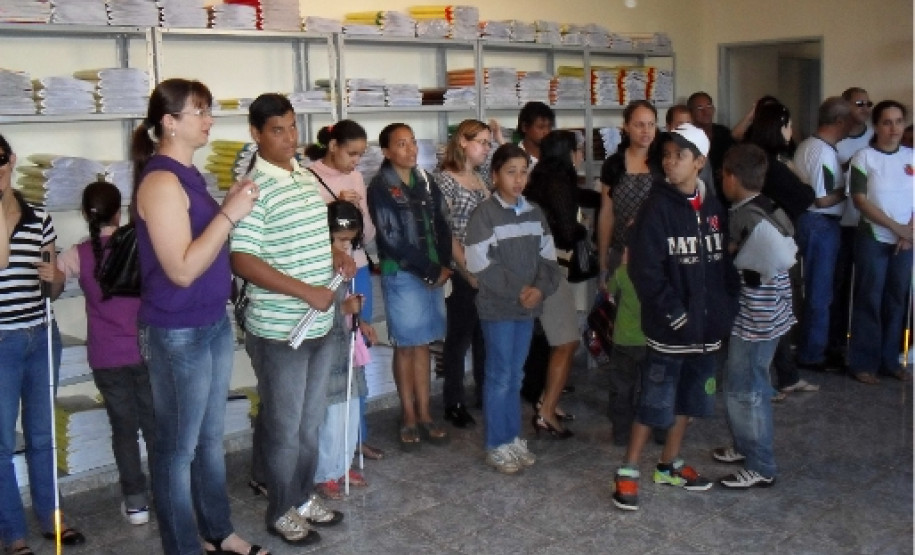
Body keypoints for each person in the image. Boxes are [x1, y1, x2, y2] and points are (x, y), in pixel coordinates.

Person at [130, 79, 264, 555]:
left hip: (210, 321)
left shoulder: (191, 175)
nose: (209, 120)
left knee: (210, 440)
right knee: (177, 449)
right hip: (177, 330)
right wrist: (229, 214)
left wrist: (232, 208)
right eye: (199, 112)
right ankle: (182, 546)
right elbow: (182, 270)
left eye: (209, 111)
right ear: (169, 122)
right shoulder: (161, 181)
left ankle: (218, 531)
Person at [230, 93, 349, 546]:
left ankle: (302, 498)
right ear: (256, 134)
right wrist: (306, 292)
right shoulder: (252, 188)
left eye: (293, 127)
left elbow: (309, 233)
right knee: (283, 429)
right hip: (281, 330)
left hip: (318, 324)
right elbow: (242, 259)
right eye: (277, 130)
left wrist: (336, 253)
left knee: (309, 423)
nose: (289, 138)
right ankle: (279, 509)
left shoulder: (302, 174)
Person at [611, 123, 737, 511]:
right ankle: (628, 470)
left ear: (699, 162)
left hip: (706, 329)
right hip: (671, 329)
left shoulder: (715, 209)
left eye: (679, 156)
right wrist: (674, 311)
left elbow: (721, 266)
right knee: (655, 401)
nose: (669, 162)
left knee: (690, 400)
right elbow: (645, 270)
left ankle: (669, 462)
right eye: (666, 155)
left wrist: (723, 309)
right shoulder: (656, 208)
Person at [0, 134, 86, 555]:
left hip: (39, 333)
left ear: (11, 161)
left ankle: (53, 517)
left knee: (41, 433)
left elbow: (49, 286)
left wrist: (55, 281)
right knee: (1, 440)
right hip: (0, 341)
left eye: (0, 164)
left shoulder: (39, 218)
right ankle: (12, 533)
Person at [56, 181, 155, 526]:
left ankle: (136, 502)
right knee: (156, 427)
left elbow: (52, 283)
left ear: (85, 214)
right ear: (120, 210)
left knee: (123, 430)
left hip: (105, 357)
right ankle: (168, 493)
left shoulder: (77, 254)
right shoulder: (141, 244)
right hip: (146, 350)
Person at [464, 143, 561, 473]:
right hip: (498, 308)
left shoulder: (534, 212)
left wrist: (540, 289)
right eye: (510, 172)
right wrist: (520, 289)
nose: (518, 179)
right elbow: (479, 263)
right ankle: (497, 443)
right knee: (499, 375)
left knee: (516, 375)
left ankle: (512, 436)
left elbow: (549, 260)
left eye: (523, 172)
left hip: (527, 308)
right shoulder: (485, 215)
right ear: (494, 176)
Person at [715, 144, 798, 489]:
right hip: (772, 314)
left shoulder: (745, 217)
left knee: (745, 390)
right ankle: (743, 445)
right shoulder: (770, 206)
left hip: (755, 320)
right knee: (746, 384)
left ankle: (761, 464)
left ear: (731, 178)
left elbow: (745, 266)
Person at [367, 123, 453, 450]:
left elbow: (443, 223)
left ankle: (426, 414)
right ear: (387, 152)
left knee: (423, 345)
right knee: (406, 345)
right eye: (401, 144)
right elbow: (391, 239)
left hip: (434, 272)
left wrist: (444, 265)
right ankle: (408, 416)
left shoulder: (426, 180)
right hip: (404, 274)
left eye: (412, 142)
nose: (410, 149)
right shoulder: (381, 186)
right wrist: (431, 269)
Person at [304, 120, 384, 462]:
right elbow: (308, 233)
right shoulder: (307, 177)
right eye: (351, 153)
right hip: (324, 273)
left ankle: (357, 436)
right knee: (330, 355)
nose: (356, 161)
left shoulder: (355, 177)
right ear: (333, 145)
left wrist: (358, 209)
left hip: (358, 267)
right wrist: (334, 203)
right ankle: (330, 445)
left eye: (361, 155)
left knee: (359, 350)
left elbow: (365, 235)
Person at [744, 101, 818, 396]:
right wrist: (799, 174)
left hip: (762, 244)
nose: (791, 131)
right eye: (787, 125)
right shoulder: (771, 165)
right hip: (767, 248)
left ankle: (786, 376)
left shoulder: (755, 158)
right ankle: (764, 383)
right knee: (769, 316)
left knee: (777, 313)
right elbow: (805, 196)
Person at [522, 130, 587, 438]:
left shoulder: (542, 179)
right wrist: (584, 232)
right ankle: (546, 412)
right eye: (578, 150)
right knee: (566, 341)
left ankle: (547, 402)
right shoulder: (560, 183)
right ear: (568, 153)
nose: (582, 155)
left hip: (540, 269)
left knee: (556, 340)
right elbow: (565, 229)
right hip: (551, 271)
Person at [847, 100, 914, 384]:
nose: (894, 128)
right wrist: (896, 227)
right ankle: (864, 363)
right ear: (877, 126)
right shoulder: (864, 158)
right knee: (869, 299)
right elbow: (860, 200)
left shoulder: (911, 156)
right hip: (874, 237)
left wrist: (909, 232)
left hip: (906, 241)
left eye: (899, 121)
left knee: (897, 300)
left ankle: (890, 361)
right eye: (887, 122)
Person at [313, 200, 375, 500]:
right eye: (339, 241)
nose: (345, 247)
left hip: (346, 345)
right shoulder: (316, 264)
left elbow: (348, 300)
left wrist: (359, 320)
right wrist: (341, 309)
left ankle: (342, 464)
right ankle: (324, 472)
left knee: (349, 411)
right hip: (327, 349)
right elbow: (312, 308)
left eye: (350, 242)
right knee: (330, 417)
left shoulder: (345, 262)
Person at [433, 119, 492, 427]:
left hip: (486, 265)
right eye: (481, 141)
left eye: (487, 142)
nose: (486, 148)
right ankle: (453, 400)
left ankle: (483, 392)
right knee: (459, 338)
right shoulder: (446, 180)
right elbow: (448, 233)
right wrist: (467, 270)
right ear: (463, 143)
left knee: (484, 335)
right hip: (461, 269)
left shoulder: (480, 177)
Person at [792, 97, 853, 372]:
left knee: (820, 290)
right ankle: (812, 353)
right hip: (819, 223)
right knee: (820, 292)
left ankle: (814, 348)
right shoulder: (822, 152)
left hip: (817, 224)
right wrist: (850, 188)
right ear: (840, 121)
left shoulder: (814, 147)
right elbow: (822, 199)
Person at [829, 87, 875, 367]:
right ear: (845, 106)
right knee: (839, 286)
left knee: (866, 289)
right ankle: (835, 343)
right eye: (859, 103)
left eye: (869, 103)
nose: (865, 108)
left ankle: (863, 346)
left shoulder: (874, 138)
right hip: (841, 223)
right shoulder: (837, 141)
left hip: (870, 225)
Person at [597, 100, 663, 279]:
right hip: (621, 251)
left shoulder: (663, 163)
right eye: (639, 125)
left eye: (651, 125)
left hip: (658, 253)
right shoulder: (614, 165)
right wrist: (602, 259)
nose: (646, 131)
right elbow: (607, 213)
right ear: (626, 126)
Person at [604, 245, 647, 446]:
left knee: (622, 389)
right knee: (650, 388)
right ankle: (657, 432)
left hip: (623, 340)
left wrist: (621, 266)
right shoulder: (653, 271)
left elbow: (609, 292)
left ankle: (622, 434)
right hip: (649, 340)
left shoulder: (622, 273)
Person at [687, 91, 736, 198]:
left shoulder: (723, 132)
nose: (706, 112)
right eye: (700, 108)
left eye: (709, 106)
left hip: (724, 192)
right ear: (690, 112)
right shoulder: (688, 137)